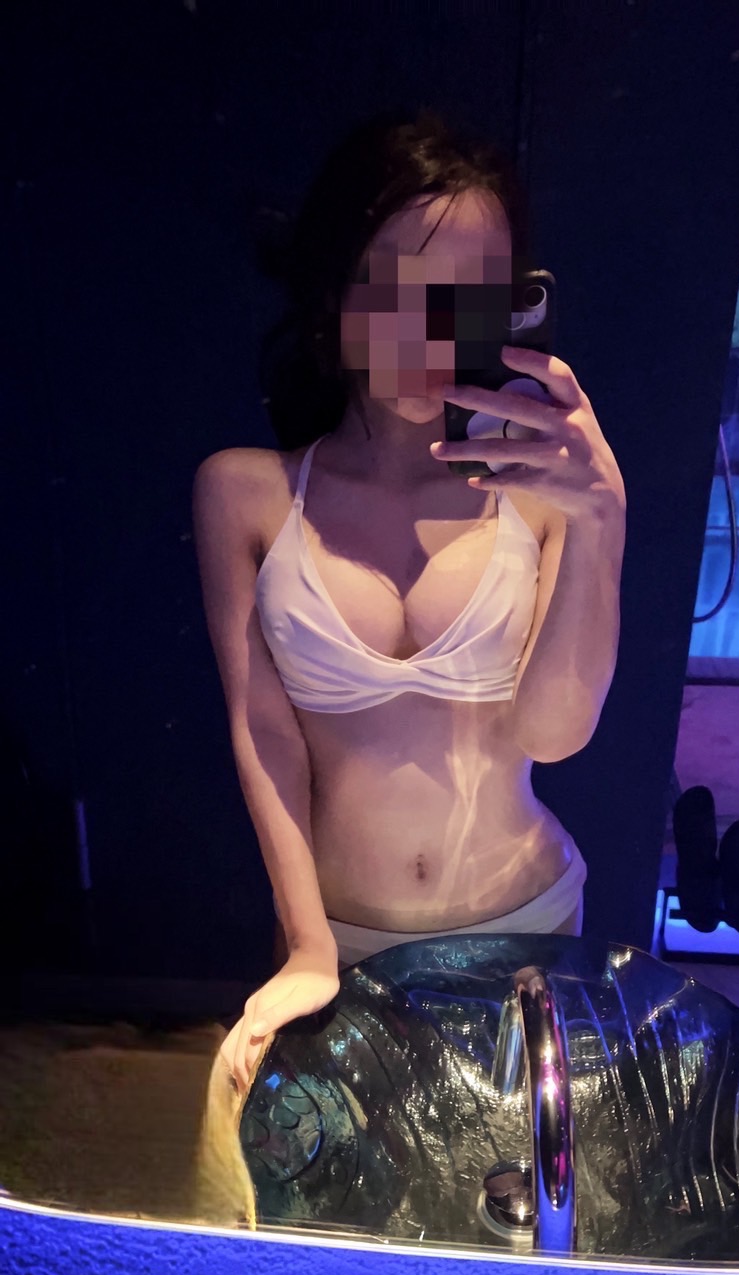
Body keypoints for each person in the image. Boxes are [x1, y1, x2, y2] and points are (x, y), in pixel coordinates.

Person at [193, 110, 625, 1094]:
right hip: (336, 945)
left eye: (467, 298)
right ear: (336, 290)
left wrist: (604, 519)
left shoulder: (540, 496)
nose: (430, 331)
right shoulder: (245, 493)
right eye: (398, 287)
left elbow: (553, 733)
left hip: (528, 927)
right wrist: (308, 945)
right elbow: (265, 733)